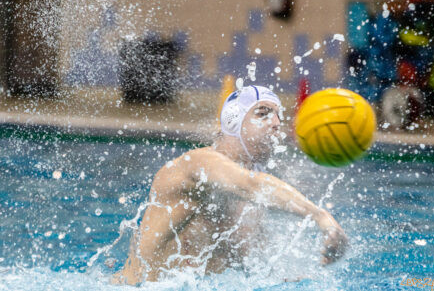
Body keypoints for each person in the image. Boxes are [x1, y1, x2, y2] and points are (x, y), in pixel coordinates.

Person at [113, 85, 348, 285]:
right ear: (233, 121)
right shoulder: (196, 164)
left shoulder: (251, 208)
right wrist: (319, 216)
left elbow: (255, 275)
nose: (275, 123)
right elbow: (250, 184)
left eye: (278, 116)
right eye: (263, 113)